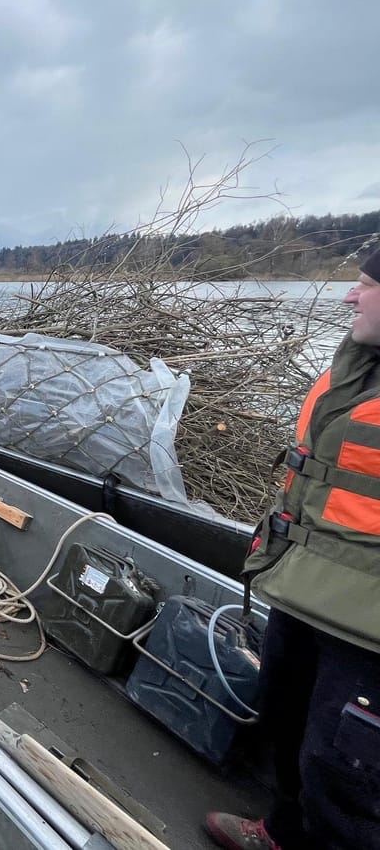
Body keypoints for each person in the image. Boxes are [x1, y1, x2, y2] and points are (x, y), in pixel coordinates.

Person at [204, 251, 380, 850]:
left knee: (346, 769)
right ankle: (281, 833)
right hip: (302, 588)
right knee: (284, 716)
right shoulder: (353, 370)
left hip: (368, 630)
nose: (349, 297)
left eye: (365, 286)